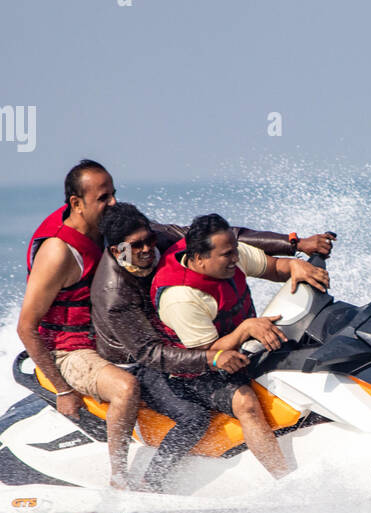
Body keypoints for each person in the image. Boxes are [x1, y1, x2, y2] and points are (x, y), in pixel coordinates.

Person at [91, 202, 336, 489]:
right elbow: (200, 353)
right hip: (178, 366)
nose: (146, 250)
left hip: (223, 347)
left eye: (149, 241)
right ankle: (151, 482)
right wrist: (245, 330)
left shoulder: (218, 252)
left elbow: (266, 262)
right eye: (136, 246)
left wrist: (295, 261)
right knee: (226, 408)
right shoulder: (167, 295)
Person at [150, 213, 329, 479]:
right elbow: (207, 353)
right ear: (199, 258)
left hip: (243, 346)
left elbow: (272, 267)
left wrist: (295, 267)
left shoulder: (229, 255)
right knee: (246, 403)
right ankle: (284, 479)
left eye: (234, 250)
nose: (235, 258)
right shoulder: (181, 296)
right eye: (227, 254)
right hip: (193, 371)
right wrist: (246, 329)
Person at [17, 160, 141, 490]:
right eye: (103, 198)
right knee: (126, 389)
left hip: (105, 337)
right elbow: (26, 327)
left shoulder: (104, 230)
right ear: (76, 203)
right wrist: (63, 389)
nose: (113, 203)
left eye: (114, 194)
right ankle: (119, 478)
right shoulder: (58, 252)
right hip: (68, 352)